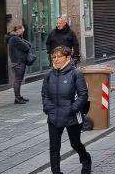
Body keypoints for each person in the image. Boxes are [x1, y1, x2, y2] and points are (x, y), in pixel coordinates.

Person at [42, 46, 91, 174]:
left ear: (68, 57)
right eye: (54, 57)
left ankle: (85, 159)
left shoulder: (76, 74)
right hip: (54, 116)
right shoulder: (48, 75)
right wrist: (48, 109)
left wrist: (72, 109)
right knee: (54, 148)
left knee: (75, 144)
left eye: (59, 56)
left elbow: (83, 95)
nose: (56, 59)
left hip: (72, 117)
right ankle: (56, 172)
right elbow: (45, 95)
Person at [7, 23, 32, 104]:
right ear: (19, 30)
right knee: (18, 80)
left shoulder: (16, 38)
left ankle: (18, 97)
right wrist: (21, 38)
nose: (24, 31)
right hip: (18, 62)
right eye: (23, 29)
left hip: (18, 61)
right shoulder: (15, 38)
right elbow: (27, 47)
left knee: (18, 80)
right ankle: (17, 98)